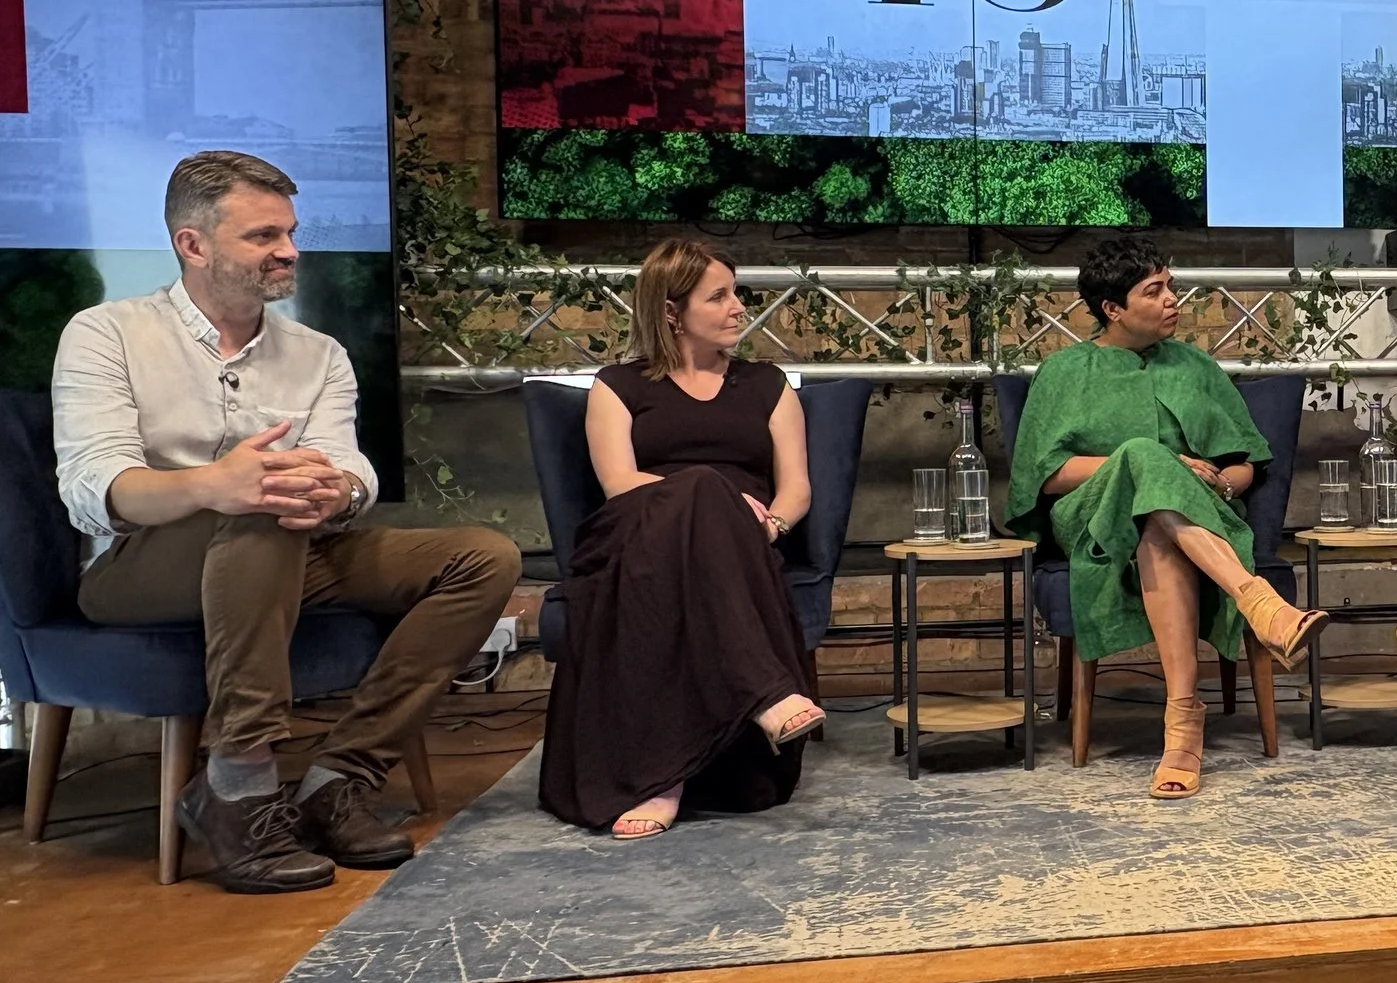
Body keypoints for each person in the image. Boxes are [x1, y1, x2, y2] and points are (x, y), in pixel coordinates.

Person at [51, 151, 521, 893]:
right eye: (263, 235)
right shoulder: (106, 333)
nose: (290, 251)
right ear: (193, 244)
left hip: (288, 548)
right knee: (261, 504)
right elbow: (94, 489)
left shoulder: (318, 353)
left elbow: (349, 462)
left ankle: (339, 778)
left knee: (482, 557)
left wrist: (338, 491)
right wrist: (216, 485)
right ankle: (238, 784)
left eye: (291, 232)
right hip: (141, 567)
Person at [1005, 235, 1328, 800]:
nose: (1173, 299)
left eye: (1170, 286)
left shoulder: (1195, 365)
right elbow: (1048, 476)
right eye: (1154, 291)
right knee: (1143, 456)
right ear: (1113, 308)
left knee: (1158, 527)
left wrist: (1217, 483)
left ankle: (1182, 732)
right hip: (1093, 518)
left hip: (1194, 516)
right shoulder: (1064, 371)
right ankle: (1259, 603)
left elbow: (1246, 462)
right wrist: (1153, 463)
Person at [538, 240, 823, 839]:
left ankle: (664, 777)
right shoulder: (617, 385)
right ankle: (766, 694)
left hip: (744, 548)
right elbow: (619, 482)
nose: (739, 307)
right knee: (700, 487)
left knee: (706, 497)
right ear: (672, 312)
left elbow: (796, 487)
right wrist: (713, 494)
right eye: (718, 297)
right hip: (637, 541)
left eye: (736, 293)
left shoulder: (768, 385)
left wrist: (769, 525)